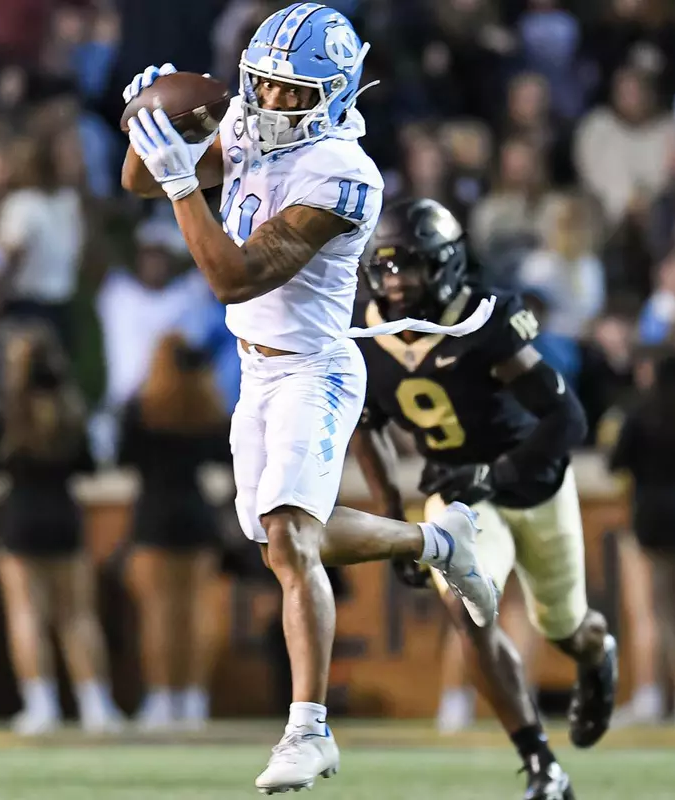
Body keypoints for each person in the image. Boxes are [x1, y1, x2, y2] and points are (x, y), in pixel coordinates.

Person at [121, 5, 500, 792]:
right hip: (254, 371)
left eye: (291, 92)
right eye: (262, 84)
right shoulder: (254, 120)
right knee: (286, 544)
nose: (268, 103)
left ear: (333, 95)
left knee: (292, 540)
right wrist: (146, 121)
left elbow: (233, 273)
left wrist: (183, 180)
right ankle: (440, 544)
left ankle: (309, 729)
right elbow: (134, 182)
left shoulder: (344, 174)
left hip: (314, 369)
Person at [350, 199, 618, 799]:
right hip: (456, 494)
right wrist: (394, 518)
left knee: (567, 628)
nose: (397, 284)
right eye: (386, 267)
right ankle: (541, 762)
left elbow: (567, 417)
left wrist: (497, 474)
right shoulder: (360, 328)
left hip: (533, 481)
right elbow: (363, 426)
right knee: (470, 610)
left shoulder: (482, 317)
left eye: (411, 268)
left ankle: (597, 659)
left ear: (445, 267)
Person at [0, 325, 124, 737]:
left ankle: (41, 706)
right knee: (78, 615)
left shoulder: (3, 412)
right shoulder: (71, 410)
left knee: (26, 614)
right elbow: (89, 467)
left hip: (20, 516)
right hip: (64, 514)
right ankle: (95, 704)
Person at [119, 333, 231, 731]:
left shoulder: (141, 408)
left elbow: (122, 458)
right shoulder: (208, 407)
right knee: (199, 609)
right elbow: (228, 459)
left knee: (158, 613)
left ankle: (163, 699)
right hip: (197, 514)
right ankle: (195, 700)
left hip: (153, 515)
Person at [607, 349, 675, 726]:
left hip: (650, 517)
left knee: (651, 613)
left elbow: (615, 464)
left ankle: (651, 695)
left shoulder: (639, 415)